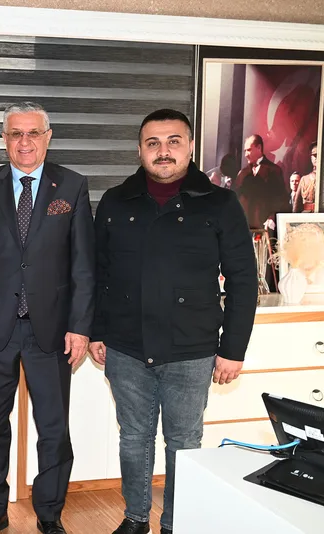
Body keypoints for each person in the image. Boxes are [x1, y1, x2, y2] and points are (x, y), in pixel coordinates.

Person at [90, 109, 257, 534]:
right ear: (140, 150)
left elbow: (243, 280)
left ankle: (176, 522)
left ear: (190, 147)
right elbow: (98, 272)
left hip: (192, 349)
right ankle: (135, 518)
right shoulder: (115, 201)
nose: (163, 151)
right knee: (133, 438)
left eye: (173, 141)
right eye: (153, 143)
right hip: (126, 346)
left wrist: (232, 349)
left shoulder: (221, 203)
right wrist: (96, 331)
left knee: (184, 441)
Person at [0, 102, 95, 534]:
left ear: (48, 137)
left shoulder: (72, 186)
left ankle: (49, 514)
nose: (25, 142)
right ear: (4, 140)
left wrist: (80, 327)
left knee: (53, 429)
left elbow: (83, 264)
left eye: (33, 133)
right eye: (15, 133)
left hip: (51, 331)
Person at [233, 134, 287, 229]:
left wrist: (272, 217)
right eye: (245, 151)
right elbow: (236, 199)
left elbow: (281, 199)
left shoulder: (274, 170)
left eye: (249, 150)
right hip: (245, 227)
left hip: (266, 226)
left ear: (259, 147)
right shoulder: (242, 174)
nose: (246, 155)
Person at [297, 142, 318, 213]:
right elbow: (297, 204)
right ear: (311, 158)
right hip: (307, 216)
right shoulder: (304, 179)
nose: (316, 158)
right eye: (314, 155)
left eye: (319, 155)